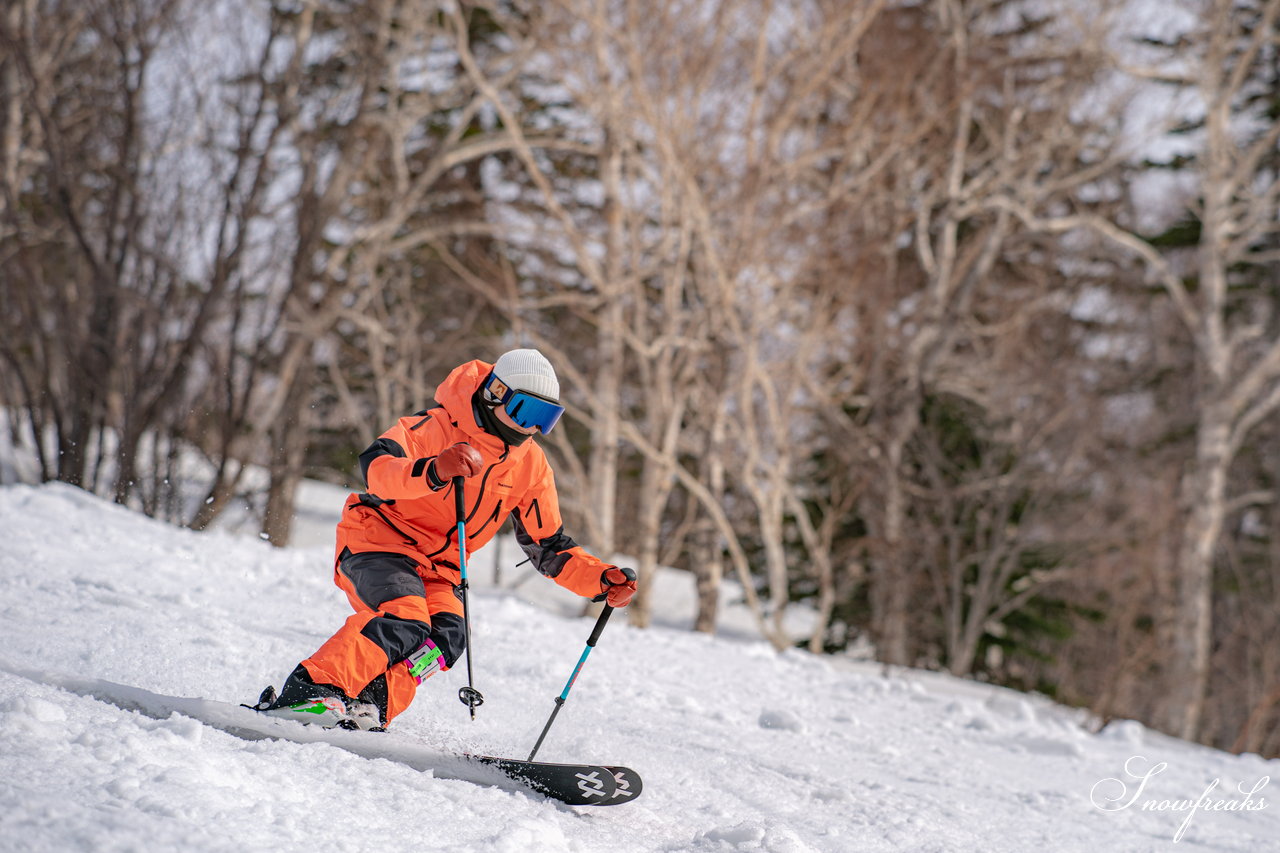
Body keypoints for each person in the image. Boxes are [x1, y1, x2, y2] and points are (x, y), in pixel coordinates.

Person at [260, 348, 637, 730]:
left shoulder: (531, 466)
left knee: (447, 637)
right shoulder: (437, 427)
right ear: (496, 393)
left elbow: (549, 546)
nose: (534, 428)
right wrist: (434, 470)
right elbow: (376, 467)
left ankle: (370, 703)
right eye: (528, 412)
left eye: (547, 419)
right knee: (405, 618)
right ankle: (311, 690)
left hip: (439, 568)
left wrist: (601, 579)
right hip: (379, 541)